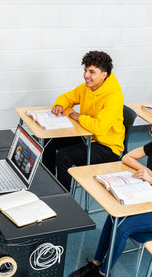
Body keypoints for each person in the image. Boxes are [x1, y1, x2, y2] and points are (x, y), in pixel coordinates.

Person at [69, 111, 152, 277]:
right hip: (151, 202)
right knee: (114, 216)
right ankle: (95, 263)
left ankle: (103, 275)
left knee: (123, 227)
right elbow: (126, 157)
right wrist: (147, 172)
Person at [43, 50, 124, 190]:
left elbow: (100, 127)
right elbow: (68, 97)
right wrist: (59, 104)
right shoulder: (88, 86)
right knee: (50, 139)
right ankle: (49, 183)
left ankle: (63, 196)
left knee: (64, 156)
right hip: (88, 136)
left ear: (104, 75)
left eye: (92, 72)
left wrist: (80, 117)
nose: (86, 75)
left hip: (107, 147)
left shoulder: (114, 96)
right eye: (85, 70)